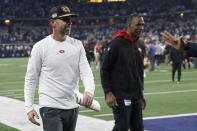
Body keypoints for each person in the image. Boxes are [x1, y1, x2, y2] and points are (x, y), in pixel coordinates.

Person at [24, 5, 95, 131]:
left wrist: (89, 90)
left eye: (70, 19)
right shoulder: (40, 47)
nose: (69, 23)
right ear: (52, 22)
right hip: (50, 107)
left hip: (72, 106)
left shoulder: (77, 45)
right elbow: (31, 78)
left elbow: (86, 72)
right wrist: (29, 107)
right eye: (65, 19)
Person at [100, 13, 146, 131]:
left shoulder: (140, 44)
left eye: (142, 25)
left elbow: (139, 72)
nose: (141, 27)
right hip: (120, 95)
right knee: (122, 127)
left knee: (138, 128)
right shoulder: (116, 43)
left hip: (136, 95)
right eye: (138, 25)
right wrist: (108, 93)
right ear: (129, 25)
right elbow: (104, 68)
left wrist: (141, 94)